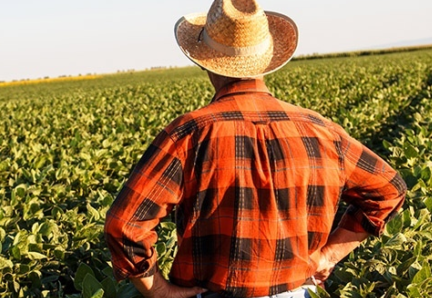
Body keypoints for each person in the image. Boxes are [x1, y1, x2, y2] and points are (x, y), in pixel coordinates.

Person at [103, 0, 407, 297]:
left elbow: (125, 225)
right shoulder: (323, 132)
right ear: (266, 60)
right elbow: (389, 190)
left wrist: (159, 290)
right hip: (300, 291)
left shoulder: (189, 134)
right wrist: (327, 256)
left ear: (206, 63)